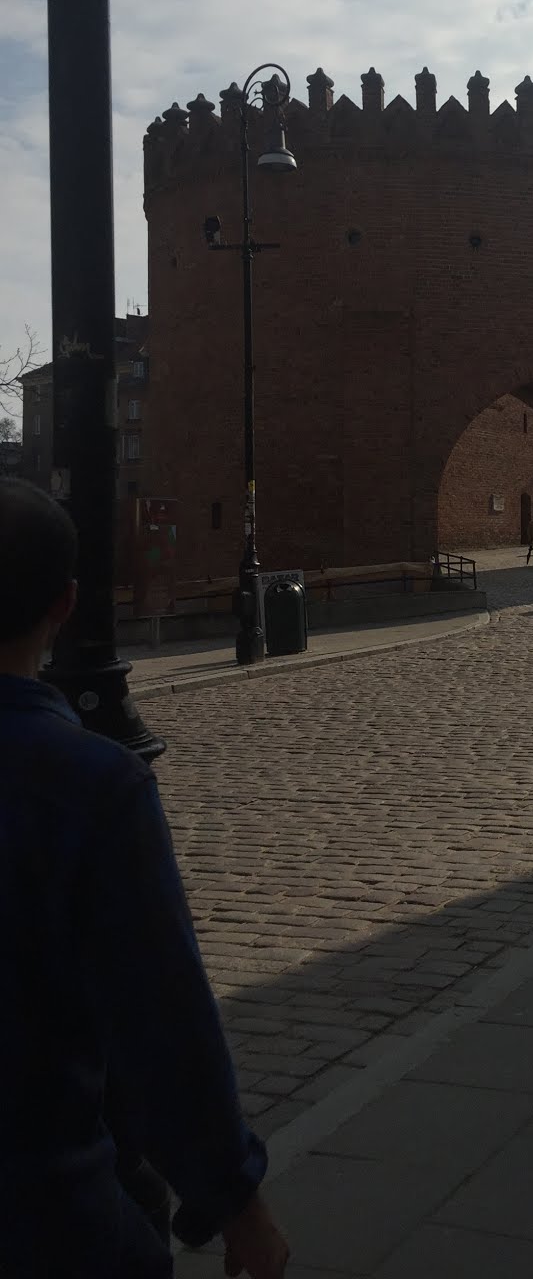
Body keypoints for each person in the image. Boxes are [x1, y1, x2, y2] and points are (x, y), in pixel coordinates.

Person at [0, 478, 289, 1279]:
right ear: (65, 605)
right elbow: (161, 1019)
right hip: (43, 1209)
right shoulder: (92, 786)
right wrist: (236, 1201)